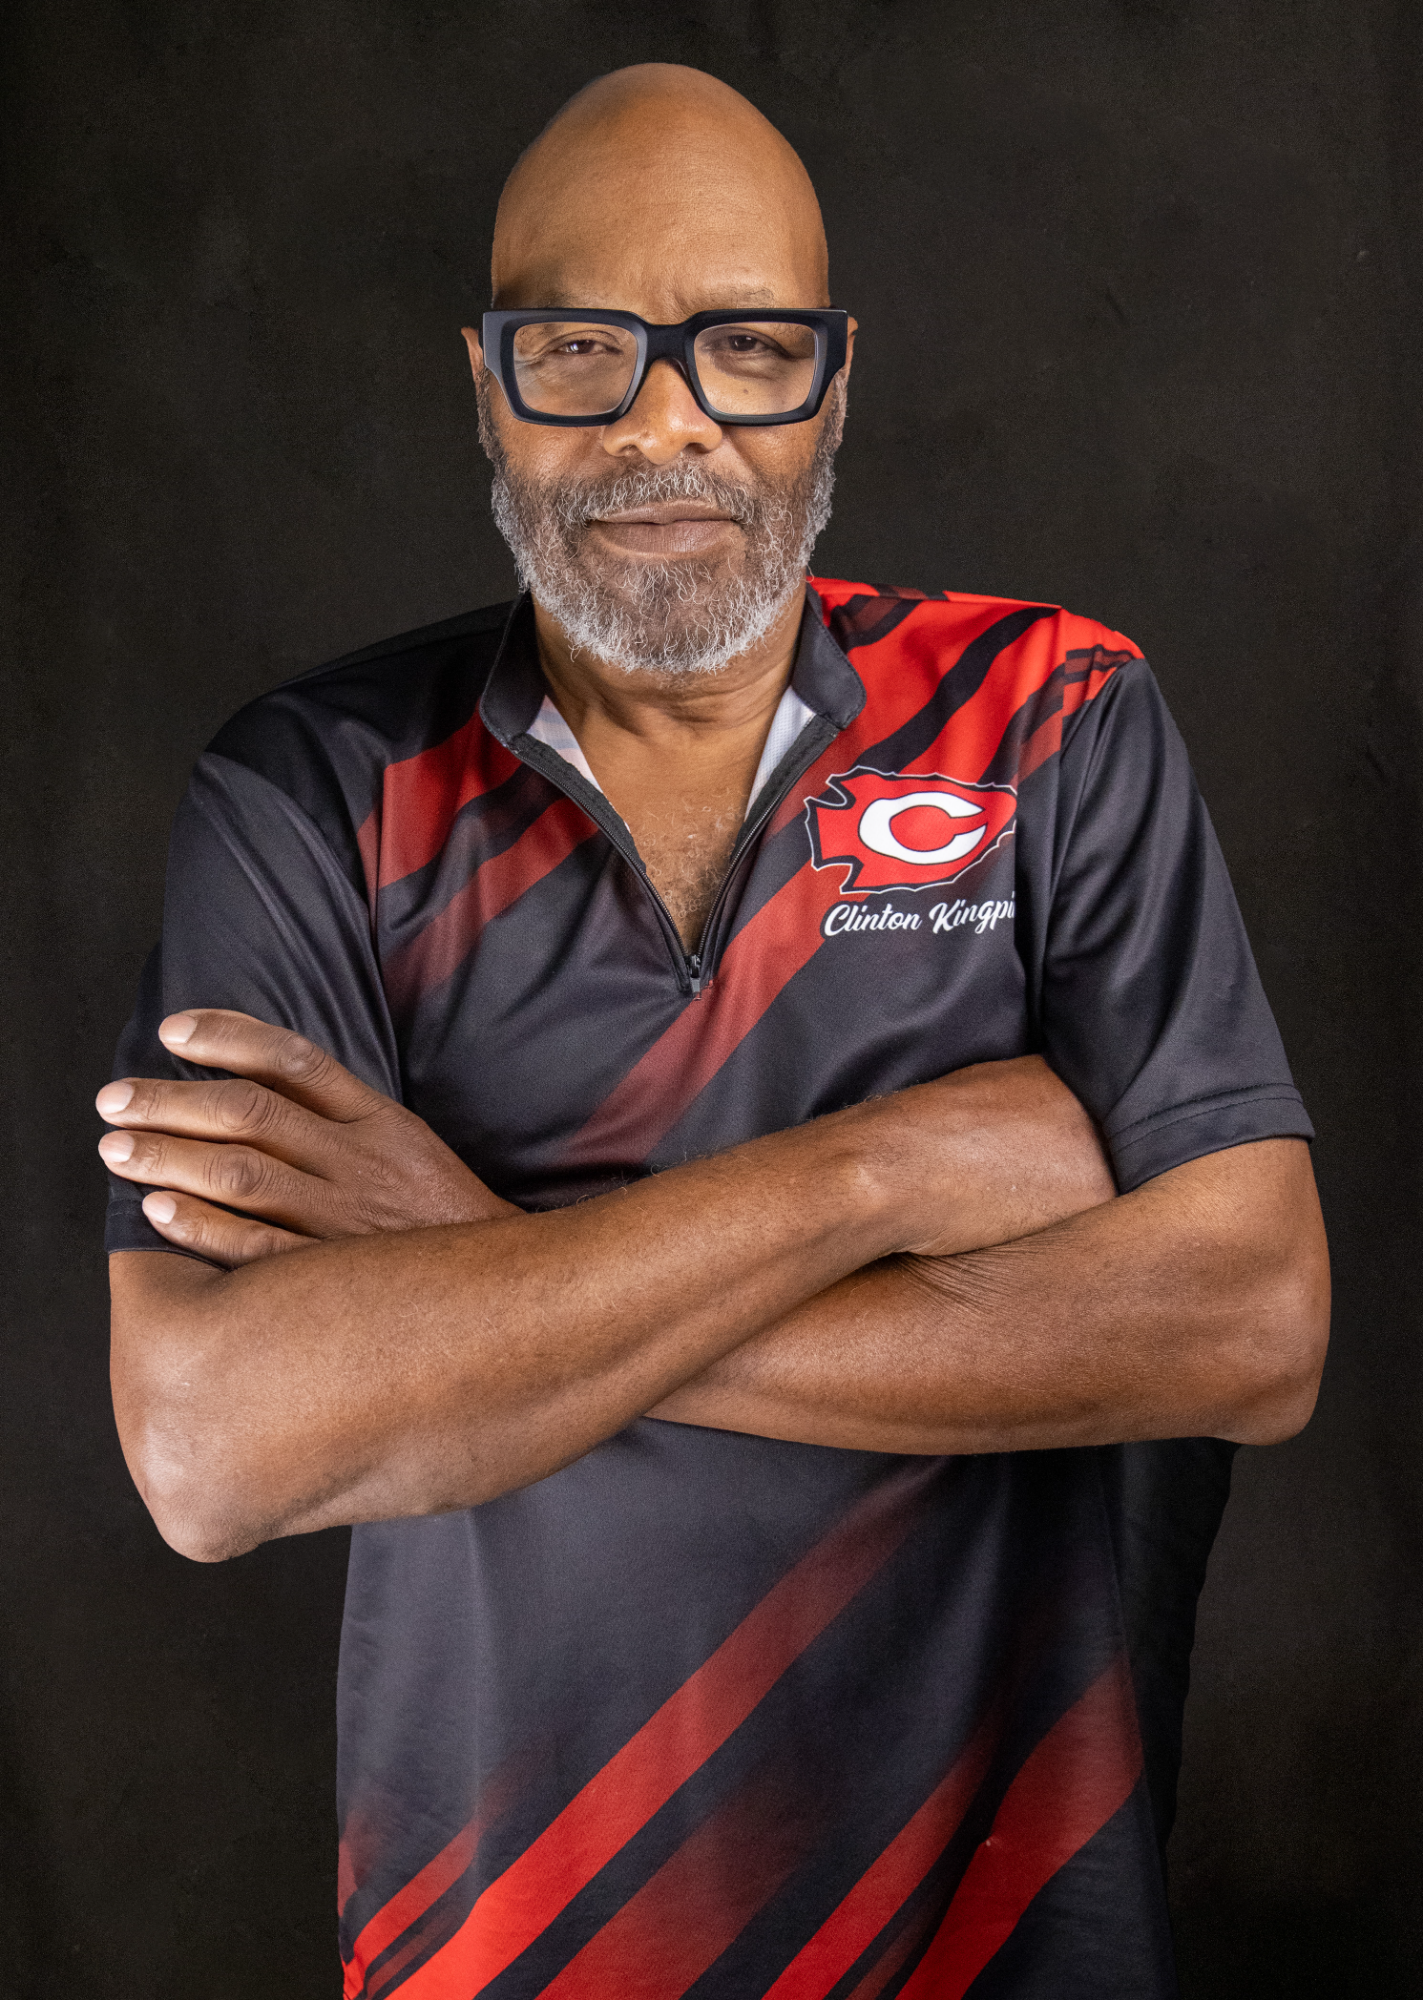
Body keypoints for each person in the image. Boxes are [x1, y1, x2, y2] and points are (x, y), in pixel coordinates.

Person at [98, 62, 1328, 2000]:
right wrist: (883, 1171)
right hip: (510, 1950)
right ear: (489, 381)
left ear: (830, 386)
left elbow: (1248, 1325)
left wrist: (481, 1269)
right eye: (581, 347)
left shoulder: (1049, 718)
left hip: (1011, 1940)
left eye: (746, 349)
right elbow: (212, 1447)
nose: (663, 421)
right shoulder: (314, 792)